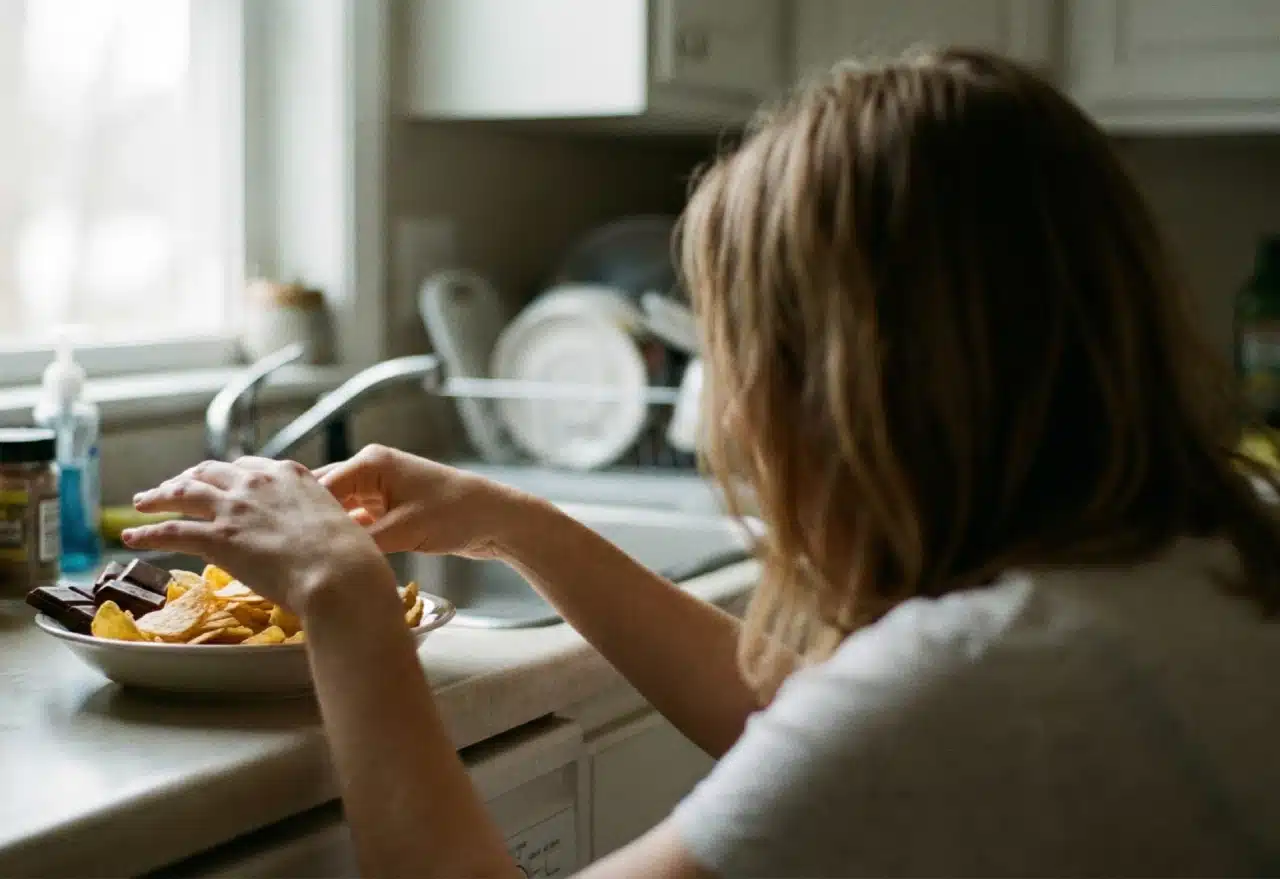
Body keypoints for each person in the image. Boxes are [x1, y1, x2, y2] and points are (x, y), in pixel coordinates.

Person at [125, 47, 1280, 878]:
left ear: (840, 388)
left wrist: (344, 602)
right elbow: (807, 722)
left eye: (731, 353)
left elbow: (876, 727)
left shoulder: (983, 683)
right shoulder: (1194, 558)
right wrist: (513, 522)